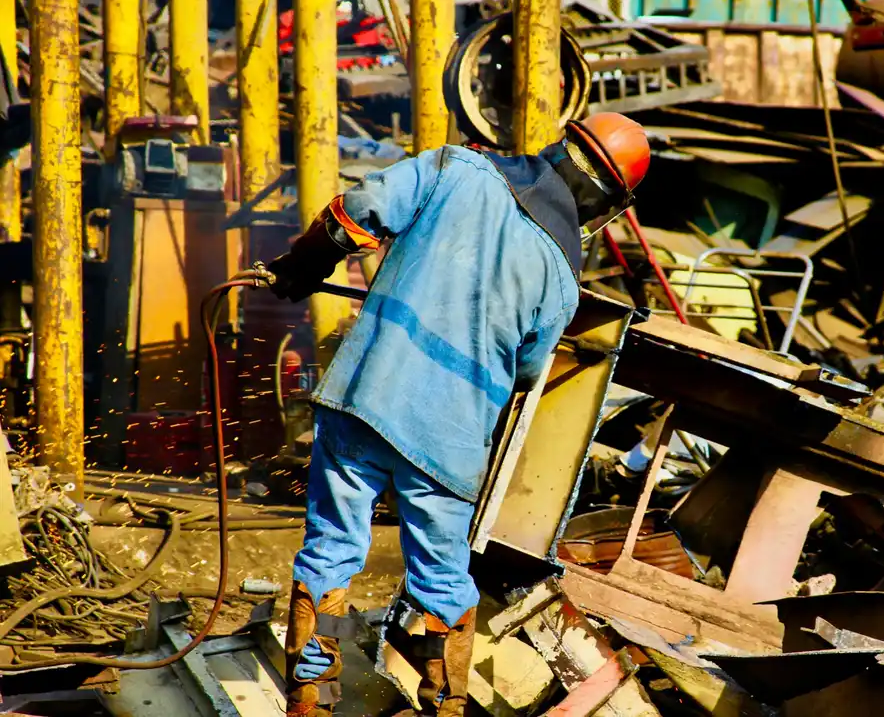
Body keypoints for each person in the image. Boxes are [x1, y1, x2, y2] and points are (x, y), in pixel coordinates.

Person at [267, 112, 651, 717]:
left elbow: (357, 211)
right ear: (606, 201)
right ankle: (442, 706)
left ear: (559, 143)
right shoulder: (561, 277)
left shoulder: (457, 167)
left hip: (365, 394)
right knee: (441, 581)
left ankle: (313, 698)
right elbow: (527, 373)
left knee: (331, 552)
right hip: (449, 438)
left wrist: (300, 266)